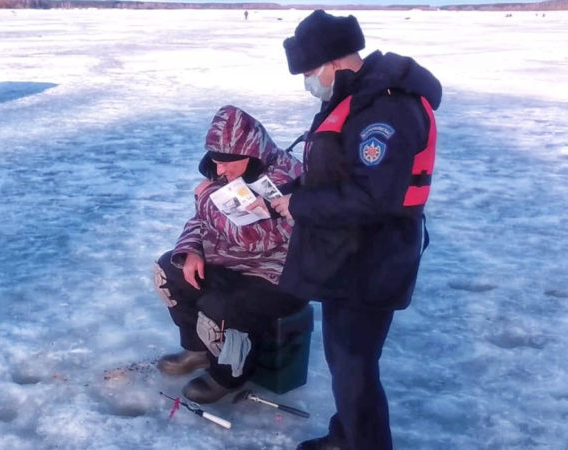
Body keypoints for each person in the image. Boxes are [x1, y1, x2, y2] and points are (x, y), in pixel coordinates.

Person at [273, 10, 442, 450]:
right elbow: (338, 172)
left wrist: (300, 204)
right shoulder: (353, 98)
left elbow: (374, 196)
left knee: (355, 365)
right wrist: (290, 190)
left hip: (373, 260)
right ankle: (347, 434)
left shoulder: (386, 107)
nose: (308, 81)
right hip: (345, 255)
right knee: (346, 362)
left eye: (310, 71)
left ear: (333, 62)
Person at [153, 105, 307, 403]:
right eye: (216, 163)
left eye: (226, 164)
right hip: (228, 266)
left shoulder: (286, 178)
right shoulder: (226, 172)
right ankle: (198, 350)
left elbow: (253, 238)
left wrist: (207, 200)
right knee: (169, 270)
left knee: (220, 304)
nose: (220, 171)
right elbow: (199, 220)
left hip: (276, 276)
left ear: (250, 153)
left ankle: (230, 375)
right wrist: (191, 250)